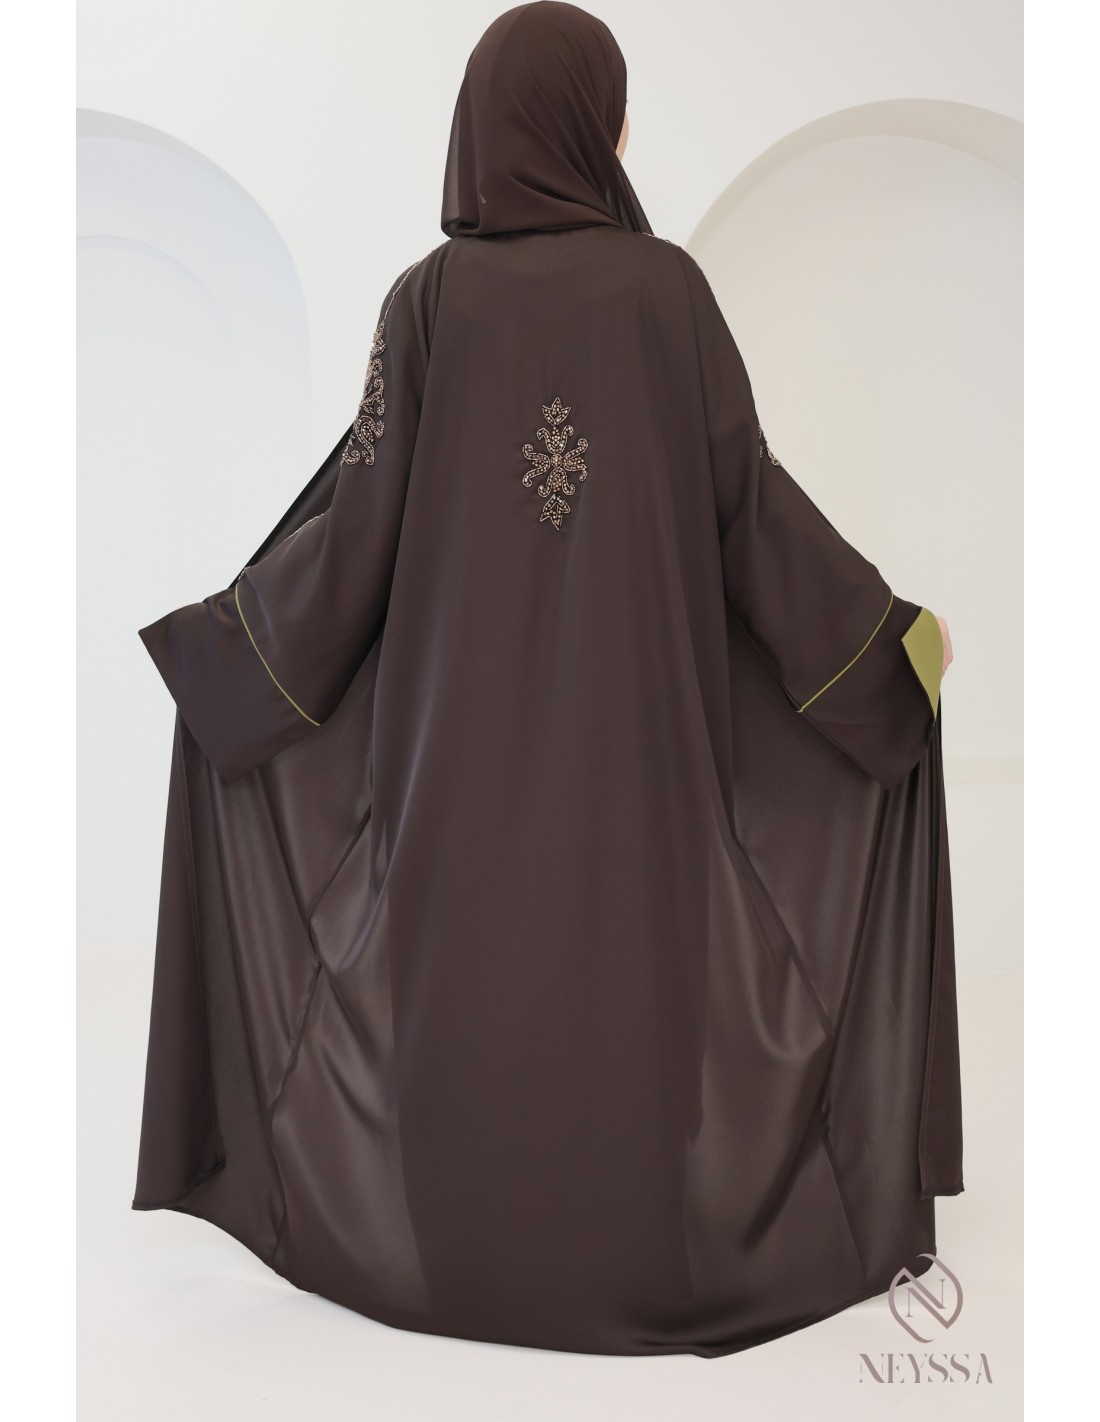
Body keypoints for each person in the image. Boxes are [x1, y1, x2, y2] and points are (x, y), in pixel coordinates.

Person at [132, 1, 962, 1359]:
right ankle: (631, 1256)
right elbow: (752, 515)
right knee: (637, 997)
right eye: (615, 110)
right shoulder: (666, 295)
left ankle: (459, 1256)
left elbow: (353, 539)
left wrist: (234, 657)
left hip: (448, 777)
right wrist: (890, 650)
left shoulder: (427, 302)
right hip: (645, 772)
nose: (624, 134)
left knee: (462, 997)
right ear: (586, 123)